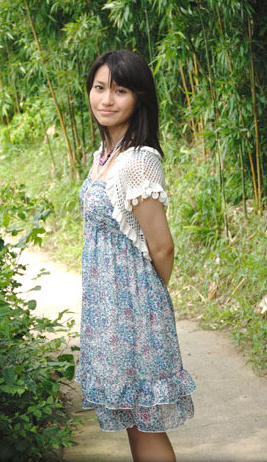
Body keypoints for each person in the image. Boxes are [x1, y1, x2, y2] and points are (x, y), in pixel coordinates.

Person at [76, 49, 196, 462]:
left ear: (139, 98)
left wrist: (146, 303)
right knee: (133, 417)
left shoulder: (138, 162)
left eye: (120, 90)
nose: (106, 99)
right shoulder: (104, 155)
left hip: (133, 310)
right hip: (107, 309)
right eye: (99, 88)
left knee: (145, 421)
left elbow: (162, 246)